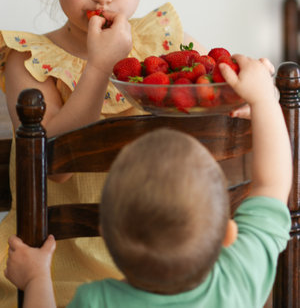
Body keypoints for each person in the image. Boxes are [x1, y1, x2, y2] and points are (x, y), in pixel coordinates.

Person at [0, 0, 205, 308]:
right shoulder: (27, 58)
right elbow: (54, 164)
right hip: (53, 274)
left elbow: (205, 94)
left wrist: (240, 100)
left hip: (149, 267)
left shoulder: (160, 45)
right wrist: (99, 65)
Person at [5, 54, 292, 308]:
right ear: (228, 232)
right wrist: (264, 99)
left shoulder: (97, 300)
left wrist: (36, 279)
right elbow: (272, 183)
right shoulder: (239, 277)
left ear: (106, 234)